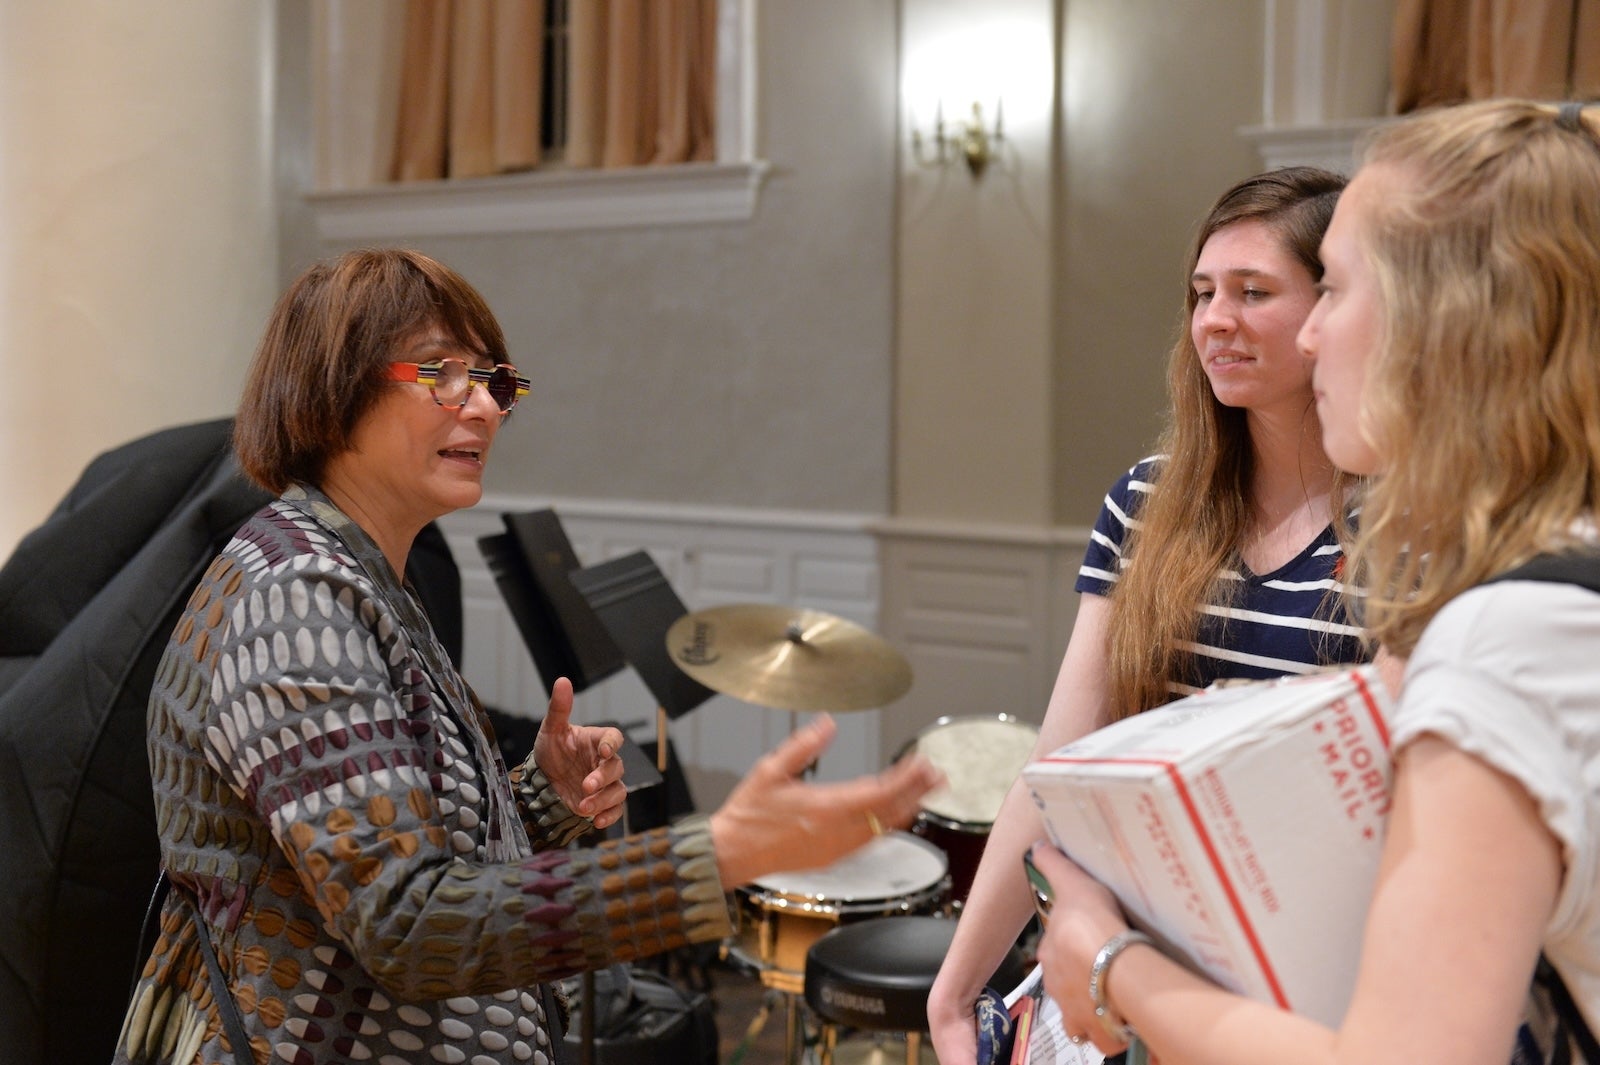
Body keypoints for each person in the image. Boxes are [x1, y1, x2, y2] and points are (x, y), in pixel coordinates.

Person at [111, 248, 942, 1065]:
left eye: (495, 381)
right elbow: (407, 924)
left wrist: (541, 801)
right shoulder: (294, 600)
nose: (484, 408)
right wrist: (716, 855)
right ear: (332, 390)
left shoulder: (361, 576)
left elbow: (401, 846)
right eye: (442, 374)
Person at [1032, 97, 1600, 1064]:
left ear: (1444, 321)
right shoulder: (1536, 584)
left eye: (1330, 288)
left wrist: (1109, 960)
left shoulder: (1508, 638)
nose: (1306, 338)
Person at [929, 166, 1371, 1065]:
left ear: (1334, 313)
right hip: (1132, 960)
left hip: (1312, 985)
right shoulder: (1147, 501)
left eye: (1254, 292)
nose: (1216, 319)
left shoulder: (1406, 522)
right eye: (1204, 293)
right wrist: (957, 985)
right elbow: (1059, 763)